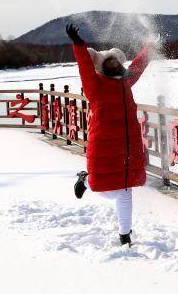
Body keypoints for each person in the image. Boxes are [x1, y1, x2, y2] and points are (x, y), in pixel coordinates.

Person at [65, 23, 154, 247]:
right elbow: (85, 68)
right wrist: (78, 44)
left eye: (116, 62)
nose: (113, 65)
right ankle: (85, 180)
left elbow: (139, 65)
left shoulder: (126, 81)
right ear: (102, 67)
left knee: (125, 189)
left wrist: (151, 45)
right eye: (108, 62)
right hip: (103, 143)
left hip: (128, 144)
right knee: (103, 189)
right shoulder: (94, 85)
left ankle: (124, 234)